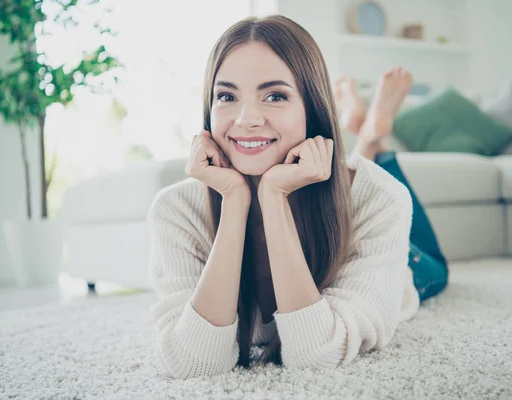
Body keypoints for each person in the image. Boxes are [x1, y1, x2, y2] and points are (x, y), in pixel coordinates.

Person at [147, 14, 444, 380]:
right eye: (226, 96)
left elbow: (317, 356)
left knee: (436, 268)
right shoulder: (175, 209)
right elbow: (194, 364)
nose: (246, 119)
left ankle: (372, 138)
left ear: (313, 107)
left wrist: (274, 198)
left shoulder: (380, 198)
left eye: (275, 95)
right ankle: (367, 134)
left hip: (407, 268)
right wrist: (235, 204)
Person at [334, 71, 449, 309]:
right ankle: (369, 140)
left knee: (430, 259)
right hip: (384, 262)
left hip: (358, 248)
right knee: (438, 270)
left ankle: (370, 139)